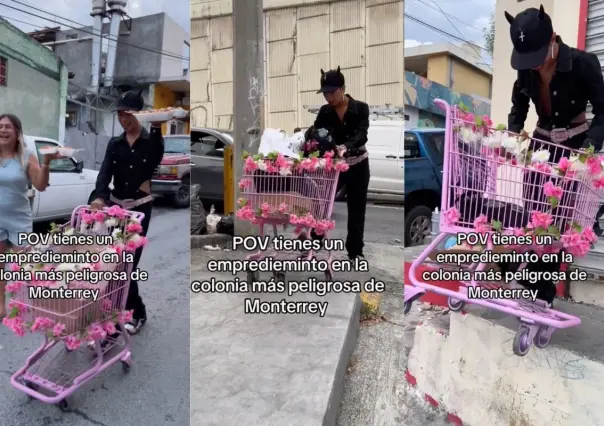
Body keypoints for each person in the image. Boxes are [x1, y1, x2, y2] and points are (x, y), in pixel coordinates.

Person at [502, 5, 604, 306]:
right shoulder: (526, 69)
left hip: (574, 146)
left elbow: (603, 113)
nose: (533, 66)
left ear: (552, 41)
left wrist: (588, 149)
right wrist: (514, 129)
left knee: (558, 222)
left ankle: (542, 294)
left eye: (537, 58)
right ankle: (529, 281)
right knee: (534, 216)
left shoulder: (584, 64)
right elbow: (519, 101)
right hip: (542, 144)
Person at [91, 90, 164, 335]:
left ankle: (137, 312)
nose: (124, 118)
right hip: (115, 209)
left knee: (128, 265)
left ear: (139, 115)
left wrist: (155, 128)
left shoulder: (151, 140)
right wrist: (99, 196)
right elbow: (104, 173)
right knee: (112, 264)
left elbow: (154, 159)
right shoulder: (115, 143)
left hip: (140, 209)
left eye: (128, 113)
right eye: (120, 113)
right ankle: (113, 312)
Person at [0, 114, 59, 318]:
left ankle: (25, 304)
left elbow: (40, 185)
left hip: (19, 219)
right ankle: (1, 307)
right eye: (0, 126)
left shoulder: (26, 156)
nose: (3, 130)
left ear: (17, 132)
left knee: (24, 267)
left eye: (8, 127)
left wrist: (47, 163)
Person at [311, 67, 370, 261]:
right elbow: (316, 131)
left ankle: (355, 252)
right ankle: (315, 240)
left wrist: (346, 146)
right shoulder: (325, 111)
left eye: (332, 92)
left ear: (342, 89)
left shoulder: (361, 108)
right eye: (325, 93)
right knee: (321, 202)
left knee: (356, 209)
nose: (329, 97)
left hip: (358, 163)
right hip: (334, 167)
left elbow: (362, 134)